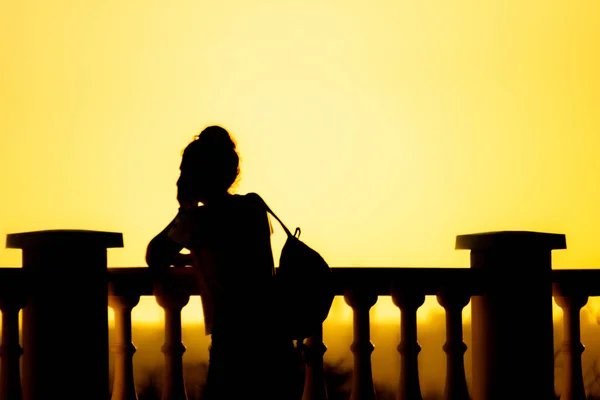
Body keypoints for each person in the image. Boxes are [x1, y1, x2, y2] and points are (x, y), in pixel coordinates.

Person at [145, 125, 304, 399]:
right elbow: (234, 257)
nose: (179, 179)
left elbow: (155, 255)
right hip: (276, 345)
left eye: (184, 172)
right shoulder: (253, 208)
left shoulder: (199, 221)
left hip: (235, 350)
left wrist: (185, 208)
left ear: (197, 176)